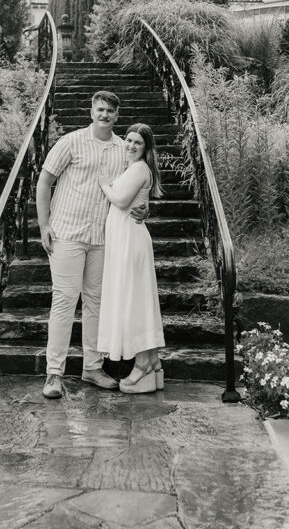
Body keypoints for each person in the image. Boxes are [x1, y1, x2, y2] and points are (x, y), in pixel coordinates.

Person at [36, 89, 137, 399]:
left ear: (117, 116)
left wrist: (141, 209)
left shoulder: (124, 149)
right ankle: (54, 375)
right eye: (100, 109)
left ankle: (92, 368)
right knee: (65, 301)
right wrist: (43, 225)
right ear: (92, 111)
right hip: (67, 233)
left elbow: (132, 186)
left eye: (110, 111)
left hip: (103, 238)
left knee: (96, 303)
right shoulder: (71, 141)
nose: (104, 114)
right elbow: (44, 181)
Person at [96, 122, 165, 394]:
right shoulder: (131, 168)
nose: (132, 145)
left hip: (130, 241)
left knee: (135, 304)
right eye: (129, 140)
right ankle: (153, 363)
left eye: (138, 142)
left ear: (146, 148)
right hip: (124, 238)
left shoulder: (139, 168)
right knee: (136, 301)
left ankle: (143, 366)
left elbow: (122, 200)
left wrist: (104, 184)